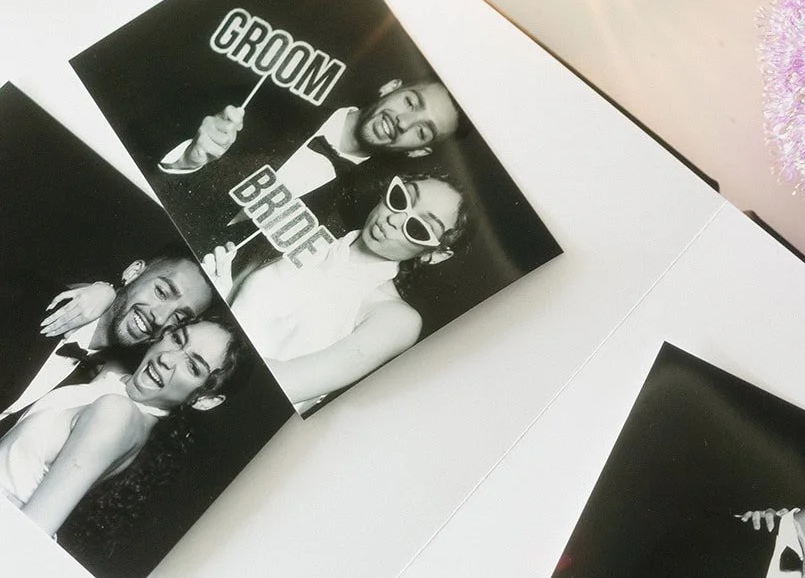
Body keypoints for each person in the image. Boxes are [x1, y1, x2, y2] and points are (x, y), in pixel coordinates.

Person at [204, 166, 470, 411]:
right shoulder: (303, 230)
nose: (395, 219)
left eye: (420, 227)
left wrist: (221, 319)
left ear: (435, 255)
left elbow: (285, 386)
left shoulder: (396, 318)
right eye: (401, 198)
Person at [0, 317, 241, 539]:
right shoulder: (119, 381)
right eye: (177, 339)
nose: (167, 359)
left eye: (193, 367)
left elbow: (32, 535)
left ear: (205, 399)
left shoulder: (118, 414)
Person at [4, 247, 215, 418]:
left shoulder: (105, 386)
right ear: (133, 273)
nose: (160, 318)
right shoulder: (21, 295)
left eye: (178, 318)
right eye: (161, 292)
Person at [158, 77, 464, 193]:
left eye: (423, 130)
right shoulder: (265, 102)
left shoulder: (360, 209)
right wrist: (189, 159)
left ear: (419, 151)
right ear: (390, 87)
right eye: (411, 102)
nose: (403, 122)